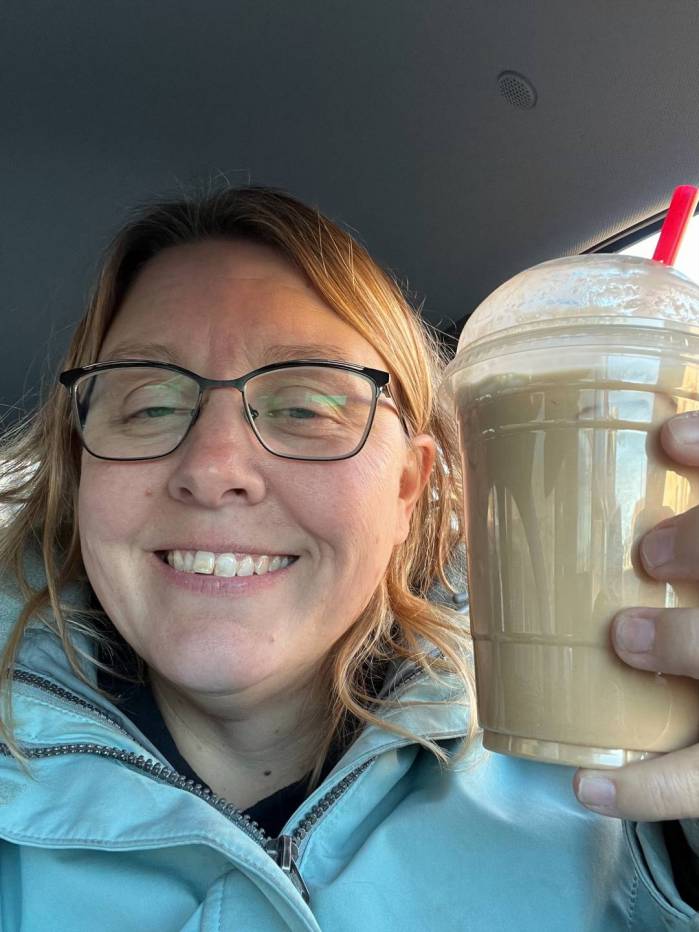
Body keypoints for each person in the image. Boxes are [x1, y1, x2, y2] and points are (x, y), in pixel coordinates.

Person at [0, 185, 697, 931]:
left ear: (408, 487)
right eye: (148, 405)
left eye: (305, 407)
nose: (212, 467)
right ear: (80, 479)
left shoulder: (624, 797)